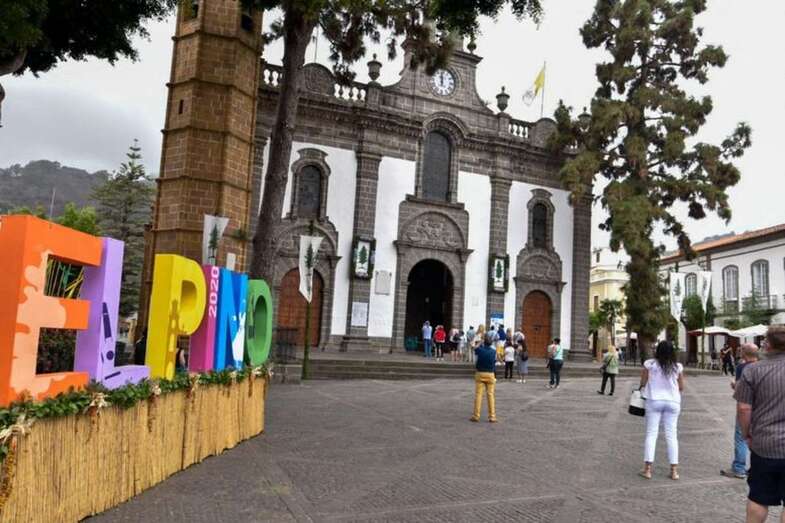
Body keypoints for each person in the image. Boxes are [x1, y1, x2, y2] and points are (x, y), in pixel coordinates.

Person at [734, 326, 785, 523]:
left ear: (768, 345)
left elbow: (743, 408)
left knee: (758, 497)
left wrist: (746, 434)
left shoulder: (752, 370)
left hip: (764, 443)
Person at [639, 340, 684, 481]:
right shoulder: (677, 366)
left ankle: (647, 469)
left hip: (654, 400)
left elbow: (643, 382)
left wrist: (644, 387)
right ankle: (674, 471)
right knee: (672, 435)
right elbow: (681, 386)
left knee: (651, 434)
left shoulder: (650, 364)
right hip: (673, 402)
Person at [721, 343, 759, 480]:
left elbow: (739, 389)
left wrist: (733, 385)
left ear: (744, 353)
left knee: (741, 437)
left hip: (745, 406)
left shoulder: (741, 367)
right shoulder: (762, 366)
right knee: (757, 438)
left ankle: (739, 468)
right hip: (761, 408)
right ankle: (756, 468)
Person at [471, 331, 498, 423]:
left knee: (478, 395)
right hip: (490, 374)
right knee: (490, 395)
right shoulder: (493, 351)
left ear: (484, 343)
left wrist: (479, 342)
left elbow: (473, 346)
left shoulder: (480, 350)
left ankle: (476, 415)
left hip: (480, 373)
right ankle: (492, 416)